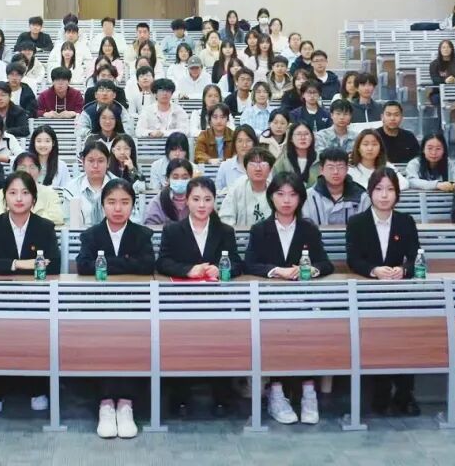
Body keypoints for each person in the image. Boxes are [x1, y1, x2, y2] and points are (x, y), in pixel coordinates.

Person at [244, 171, 333, 425]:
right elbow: (249, 264)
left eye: (292, 195)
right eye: (280, 194)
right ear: (271, 197)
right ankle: (276, 392)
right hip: (269, 302)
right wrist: (277, 271)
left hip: (304, 300)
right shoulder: (260, 229)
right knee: (274, 330)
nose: (286, 200)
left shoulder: (308, 229)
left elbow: (325, 263)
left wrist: (311, 270)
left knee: (309, 330)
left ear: (300, 198)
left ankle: (308, 392)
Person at [0, 171, 59, 415]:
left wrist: (4, 264)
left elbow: (53, 264)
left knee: (37, 335)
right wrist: (19, 264)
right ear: (4, 198)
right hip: (0, 297)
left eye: (25, 193)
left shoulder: (45, 227)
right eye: (12, 193)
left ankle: (37, 388)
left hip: (36, 299)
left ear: (34, 198)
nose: (19, 198)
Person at [156, 177, 242, 417]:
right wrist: (188, 270)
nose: (202, 205)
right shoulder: (173, 230)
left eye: (207, 199)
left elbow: (237, 263)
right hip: (182, 301)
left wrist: (221, 269)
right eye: (196, 199)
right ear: (187, 201)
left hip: (218, 302)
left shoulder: (225, 231)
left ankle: (221, 395)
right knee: (180, 344)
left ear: (215, 201)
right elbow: (162, 262)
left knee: (220, 344)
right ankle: (180, 395)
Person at [76, 178, 153, 438]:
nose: (118, 208)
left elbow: (147, 265)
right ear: (103, 205)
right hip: (98, 306)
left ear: (133, 205)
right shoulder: (90, 235)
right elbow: (84, 266)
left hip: (135, 306)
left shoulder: (143, 234)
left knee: (132, 342)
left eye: (124, 202)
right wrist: (126, 262)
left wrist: (106, 263)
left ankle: (126, 404)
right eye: (111, 202)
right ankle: (106, 404)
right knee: (103, 342)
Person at [345, 168, 421, 417]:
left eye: (390, 190)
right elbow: (353, 260)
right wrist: (374, 270)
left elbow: (416, 257)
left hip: (401, 293)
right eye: (379, 189)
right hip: (368, 293)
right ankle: (380, 390)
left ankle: (405, 393)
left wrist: (404, 270)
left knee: (407, 334)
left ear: (397, 194)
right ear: (370, 193)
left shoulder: (405, 221)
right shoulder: (357, 223)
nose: (384, 195)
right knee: (377, 336)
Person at [0, 152, 64, 226]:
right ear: (15, 171)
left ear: (39, 171)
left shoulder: (49, 193)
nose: (28, 172)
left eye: (32, 167)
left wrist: (23, 219)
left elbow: (57, 217)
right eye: (22, 167)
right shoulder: (5, 191)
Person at [304, 148, 370, 226]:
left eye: (340, 167)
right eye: (330, 167)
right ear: (321, 170)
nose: (335, 172)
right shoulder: (307, 197)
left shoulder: (361, 196)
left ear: (347, 169)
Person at [218, 147, 275, 227]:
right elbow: (226, 218)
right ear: (245, 169)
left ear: (270, 169)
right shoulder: (237, 187)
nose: (258, 169)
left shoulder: (276, 190)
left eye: (263, 164)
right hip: (239, 234)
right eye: (253, 164)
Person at [62, 141, 114, 227]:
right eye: (91, 161)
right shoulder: (72, 189)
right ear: (83, 162)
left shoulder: (120, 187)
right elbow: (70, 223)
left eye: (100, 161)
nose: (95, 166)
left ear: (108, 162)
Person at [143, 159, 193, 226]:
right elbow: (150, 226)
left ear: (191, 178)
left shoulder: (197, 199)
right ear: (167, 179)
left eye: (185, 178)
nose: (180, 181)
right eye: (175, 177)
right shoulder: (158, 201)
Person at [272, 121, 321, 188]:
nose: (303, 138)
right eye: (298, 134)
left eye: (306, 134)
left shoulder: (320, 160)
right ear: (291, 138)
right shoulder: (282, 161)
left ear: (312, 137)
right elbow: (276, 185)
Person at [216, 125, 259, 191]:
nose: (244, 145)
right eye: (240, 141)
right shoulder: (225, 166)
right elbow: (217, 192)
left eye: (248, 141)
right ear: (234, 143)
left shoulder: (262, 166)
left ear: (254, 143)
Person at [427, 39, 455, 108]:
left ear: (452, 49)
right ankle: (442, 115)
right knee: (439, 99)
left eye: (448, 47)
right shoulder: (433, 64)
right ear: (440, 50)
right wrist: (445, 81)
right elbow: (435, 79)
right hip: (438, 93)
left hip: (454, 92)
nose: (446, 49)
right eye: (443, 47)